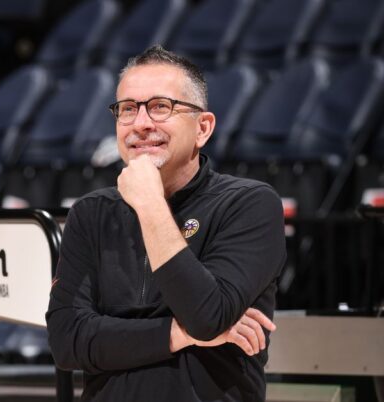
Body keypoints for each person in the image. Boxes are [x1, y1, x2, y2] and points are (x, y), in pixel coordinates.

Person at [46, 45, 286, 401]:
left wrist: (150, 204)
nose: (141, 124)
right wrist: (179, 334)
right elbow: (67, 342)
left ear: (203, 128)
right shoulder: (91, 212)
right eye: (128, 109)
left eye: (160, 107)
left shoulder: (249, 204)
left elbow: (206, 316)